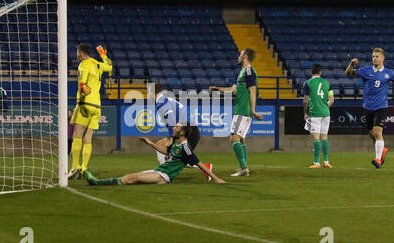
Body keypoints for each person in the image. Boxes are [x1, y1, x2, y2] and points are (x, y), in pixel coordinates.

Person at [85, 123, 226, 186]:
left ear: (182, 132)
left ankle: (97, 183)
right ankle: (98, 183)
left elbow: (198, 163)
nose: (173, 127)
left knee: (132, 178)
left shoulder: (186, 148)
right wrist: (151, 144)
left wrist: (215, 178)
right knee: (129, 178)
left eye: (176, 126)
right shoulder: (176, 145)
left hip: (164, 176)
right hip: (159, 171)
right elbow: (166, 152)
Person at [345, 47, 394, 168]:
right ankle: (382, 150)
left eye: (376, 56)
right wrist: (351, 64)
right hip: (367, 106)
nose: (374, 58)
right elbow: (349, 73)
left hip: (381, 106)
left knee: (378, 132)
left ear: (382, 58)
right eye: (373, 56)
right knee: (371, 134)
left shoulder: (388, 73)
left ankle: (378, 159)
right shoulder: (366, 70)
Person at [209, 48, 263, 177]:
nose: (238, 57)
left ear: (245, 56)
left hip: (243, 110)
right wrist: (218, 89)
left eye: (240, 54)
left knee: (233, 138)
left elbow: (253, 91)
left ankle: (244, 168)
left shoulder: (249, 71)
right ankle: (243, 167)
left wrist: (253, 110)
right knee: (241, 140)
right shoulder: (242, 72)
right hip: (241, 110)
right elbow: (233, 90)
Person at [68, 43, 113, 179]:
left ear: (81, 52)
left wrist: (81, 98)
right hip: (97, 106)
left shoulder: (83, 64)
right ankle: (84, 167)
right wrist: (103, 55)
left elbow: (83, 82)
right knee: (88, 137)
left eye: (78, 52)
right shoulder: (98, 64)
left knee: (77, 135)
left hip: (85, 103)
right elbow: (109, 66)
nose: (77, 55)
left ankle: (75, 166)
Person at [154, 83, 213, 180]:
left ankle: (163, 172)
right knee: (170, 152)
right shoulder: (165, 100)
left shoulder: (161, 102)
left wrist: (170, 137)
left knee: (178, 156)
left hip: (188, 131)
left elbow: (171, 117)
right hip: (188, 130)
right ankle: (163, 171)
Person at [303, 64, 334, 168]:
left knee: (316, 138)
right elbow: (332, 99)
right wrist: (325, 108)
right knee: (324, 137)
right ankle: (326, 161)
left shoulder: (307, 83)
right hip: (326, 113)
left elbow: (305, 101)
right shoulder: (327, 83)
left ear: (311, 72)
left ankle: (316, 162)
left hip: (315, 113)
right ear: (320, 72)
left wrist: (305, 113)